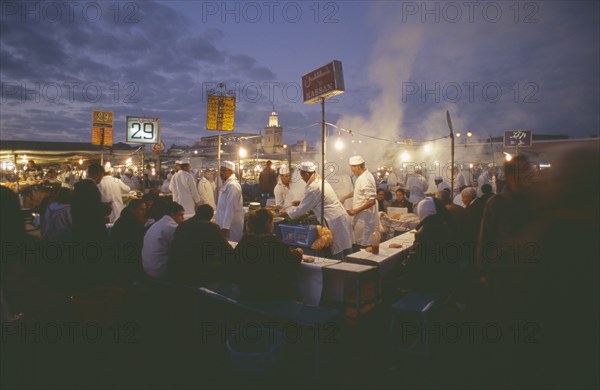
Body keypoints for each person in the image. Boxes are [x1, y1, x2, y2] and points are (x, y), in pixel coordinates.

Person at [280, 161, 353, 257]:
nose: (301, 178)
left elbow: (302, 209)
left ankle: (339, 270)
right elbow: (315, 200)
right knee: (346, 249)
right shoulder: (321, 182)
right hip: (340, 217)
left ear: (306, 174)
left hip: (333, 220)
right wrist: (301, 202)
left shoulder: (314, 187)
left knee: (338, 250)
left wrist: (287, 213)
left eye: (302, 176)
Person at [233, 208, 303, 300]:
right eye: (273, 222)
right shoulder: (273, 241)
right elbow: (290, 262)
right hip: (271, 295)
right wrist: (298, 253)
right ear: (268, 223)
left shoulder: (245, 240)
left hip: (247, 291)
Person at [169, 204, 233, 286]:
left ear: (196, 212)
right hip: (196, 274)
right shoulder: (211, 227)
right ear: (210, 217)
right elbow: (226, 250)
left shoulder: (182, 225)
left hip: (177, 269)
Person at [142, 201, 185, 279]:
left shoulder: (158, 224)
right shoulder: (171, 227)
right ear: (172, 214)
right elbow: (182, 247)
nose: (183, 218)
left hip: (147, 267)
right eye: (180, 215)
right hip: (159, 270)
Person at [343, 155, 378, 249]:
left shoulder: (365, 179)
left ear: (358, 167)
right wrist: (344, 197)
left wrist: (355, 211)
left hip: (365, 219)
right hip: (361, 217)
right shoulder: (363, 177)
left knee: (364, 246)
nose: (351, 171)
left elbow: (371, 201)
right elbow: (358, 191)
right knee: (360, 242)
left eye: (352, 168)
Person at [71, 163, 111, 243]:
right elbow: (94, 209)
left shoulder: (79, 186)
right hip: (90, 230)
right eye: (102, 175)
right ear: (99, 174)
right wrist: (107, 208)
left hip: (79, 227)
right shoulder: (91, 187)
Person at [111, 199, 147, 284]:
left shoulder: (124, 219)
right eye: (141, 209)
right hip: (127, 261)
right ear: (133, 210)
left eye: (145, 210)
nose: (144, 212)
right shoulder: (132, 223)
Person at [215, 161, 244, 241]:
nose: (221, 173)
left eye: (223, 170)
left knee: (232, 248)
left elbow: (230, 208)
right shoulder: (226, 184)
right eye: (220, 170)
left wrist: (225, 227)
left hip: (231, 227)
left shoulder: (233, 186)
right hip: (223, 225)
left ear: (230, 171)